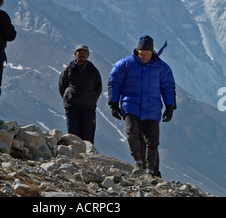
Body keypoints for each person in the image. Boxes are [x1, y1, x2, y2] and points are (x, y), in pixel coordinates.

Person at [108, 35, 176, 180]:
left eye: (148, 54)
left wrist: (170, 106)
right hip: (131, 105)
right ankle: (138, 162)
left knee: (152, 141)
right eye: (142, 53)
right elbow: (114, 83)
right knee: (132, 132)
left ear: (153, 53)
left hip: (152, 108)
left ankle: (150, 171)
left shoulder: (162, 67)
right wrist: (113, 103)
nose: (145, 56)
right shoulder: (125, 64)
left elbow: (168, 87)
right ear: (137, 51)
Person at [59, 44, 102, 144]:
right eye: (80, 52)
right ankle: (74, 155)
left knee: (88, 134)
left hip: (88, 108)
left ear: (88, 55)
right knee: (73, 134)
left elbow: (98, 88)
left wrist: (92, 99)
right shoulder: (68, 70)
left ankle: (87, 156)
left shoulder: (93, 71)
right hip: (72, 108)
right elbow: (62, 86)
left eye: (85, 53)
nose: (82, 55)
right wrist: (68, 98)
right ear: (75, 54)